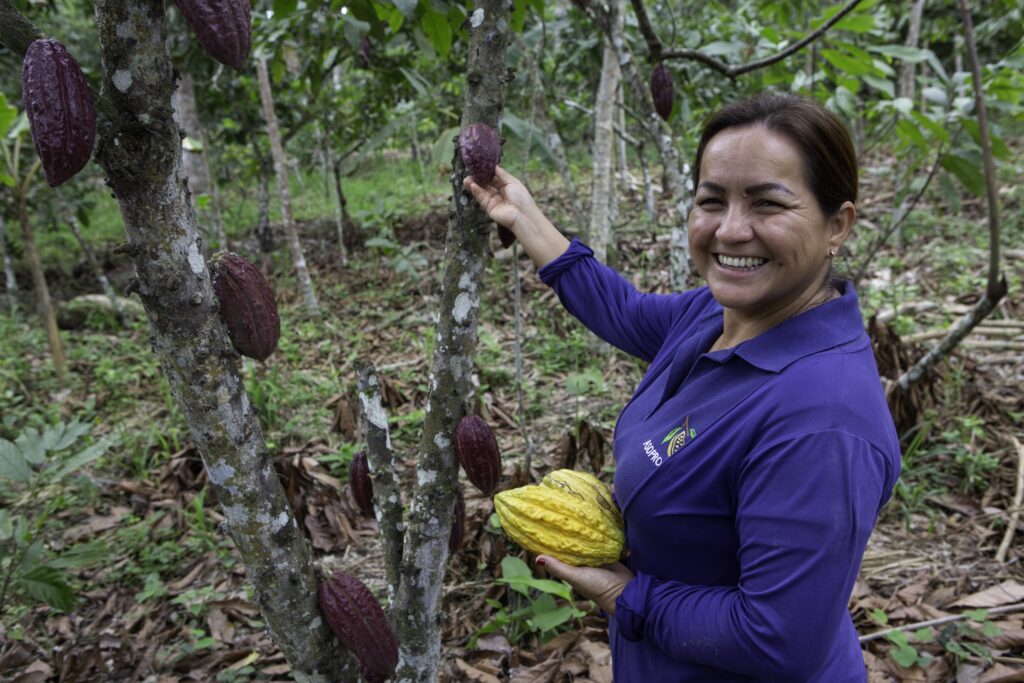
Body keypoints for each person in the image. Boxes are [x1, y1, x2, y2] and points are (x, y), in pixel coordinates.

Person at [464, 92, 901, 682]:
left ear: (837, 225)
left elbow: (779, 639)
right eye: (711, 200)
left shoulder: (823, 419)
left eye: (768, 204)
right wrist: (524, 217)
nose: (731, 229)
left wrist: (625, 595)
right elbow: (626, 311)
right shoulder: (715, 316)